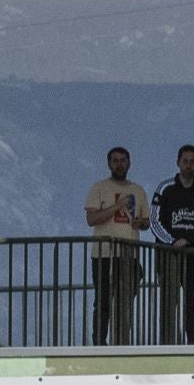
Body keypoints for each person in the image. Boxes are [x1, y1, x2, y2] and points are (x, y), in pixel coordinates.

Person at [82, 148, 152, 347]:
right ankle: (99, 343)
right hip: (103, 254)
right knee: (103, 301)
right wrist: (117, 206)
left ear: (129, 163)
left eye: (123, 160)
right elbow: (91, 219)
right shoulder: (99, 188)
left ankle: (122, 343)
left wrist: (141, 223)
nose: (119, 164)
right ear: (109, 164)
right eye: (115, 161)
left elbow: (147, 222)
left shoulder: (138, 190)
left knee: (125, 302)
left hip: (129, 255)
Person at [152, 144, 194, 345]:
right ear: (178, 162)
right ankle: (168, 345)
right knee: (169, 302)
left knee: (192, 303)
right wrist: (172, 241)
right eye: (184, 161)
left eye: (192, 161)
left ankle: (193, 344)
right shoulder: (165, 188)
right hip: (168, 256)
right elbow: (154, 221)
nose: (188, 165)